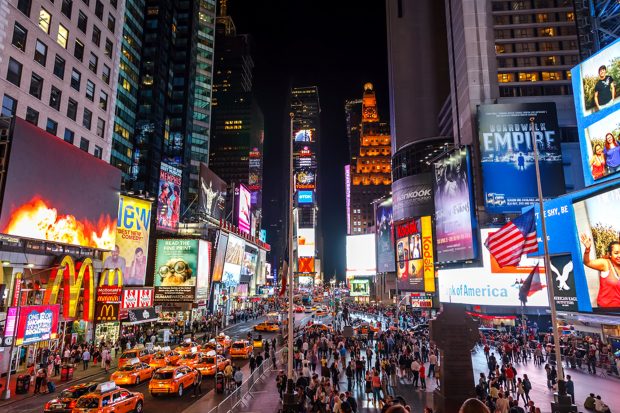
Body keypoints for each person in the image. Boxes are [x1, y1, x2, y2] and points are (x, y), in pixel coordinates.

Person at [579, 236, 620, 308]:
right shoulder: (605, 264)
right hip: (605, 312)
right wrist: (587, 249)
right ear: (610, 254)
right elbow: (587, 262)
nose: (619, 256)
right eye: (616, 253)